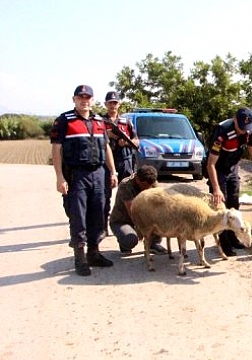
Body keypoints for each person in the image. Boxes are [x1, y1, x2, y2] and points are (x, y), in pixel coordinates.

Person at [50, 84, 119, 276]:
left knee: (99, 212)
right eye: (80, 97)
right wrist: (59, 177)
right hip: (77, 174)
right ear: (74, 100)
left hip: (99, 173)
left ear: (92, 100)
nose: (84, 100)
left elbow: (106, 147)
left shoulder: (99, 120)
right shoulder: (64, 120)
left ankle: (94, 253)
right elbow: (56, 149)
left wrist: (113, 172)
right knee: (78, 215)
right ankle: (80, 257)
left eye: (87, 97)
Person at [206, 107, 252, 257]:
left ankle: (232, 239)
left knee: (234, 204)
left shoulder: (249, 132)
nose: (243, 131)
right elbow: (210, 163)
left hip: (232, 168)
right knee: (222, 208)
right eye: (241, 127)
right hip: (218, 169)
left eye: (246, 128)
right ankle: (224, 244)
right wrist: (216, 188)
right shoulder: (222, 131)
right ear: (234, 119)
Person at [102, 90, 139, 237]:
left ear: (119, 104)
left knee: (129, 194)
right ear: (106, 104)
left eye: (115, 103)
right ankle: (103, 226)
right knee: (103, 196)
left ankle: (131, 224)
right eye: (110, 103)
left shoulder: (126, 122)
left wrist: (127, 142)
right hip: (106, 163)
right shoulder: (100, 121)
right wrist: (109, 135)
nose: (113, 105)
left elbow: (137, 141)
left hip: (125, 162)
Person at [109, 165, 166, 254]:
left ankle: (153, 243)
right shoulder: (126, 185)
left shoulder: (152, 182)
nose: (146, 189)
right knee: (130, 239)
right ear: (137, 179)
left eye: (149, 186)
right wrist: (144, 228)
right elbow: (132, 211)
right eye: (144, 186)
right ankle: (124, 242)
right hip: (123, 220)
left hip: (144, 217)